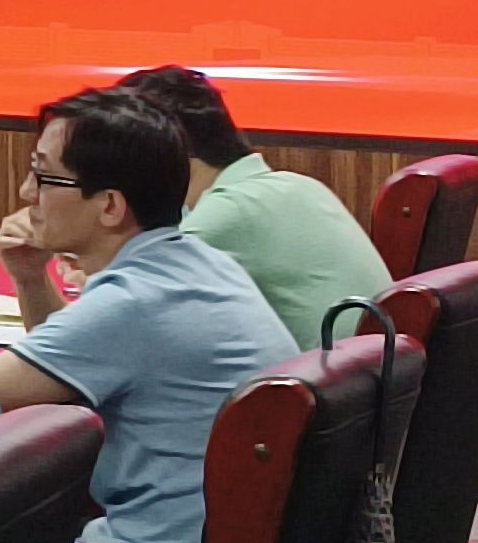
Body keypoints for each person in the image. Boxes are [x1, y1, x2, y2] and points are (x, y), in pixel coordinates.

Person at [0, 88, 299, 543]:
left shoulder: (134, 303)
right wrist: (31, 277)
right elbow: (63, 373)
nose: (25, 192)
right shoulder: (198, 264)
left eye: (45, 177)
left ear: (110, 206)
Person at [119, 65, 396, 347]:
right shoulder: (296, 185)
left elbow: (122, 310)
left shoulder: (229, 212)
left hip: (325, 372)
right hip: (370, 369)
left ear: (169, 151)